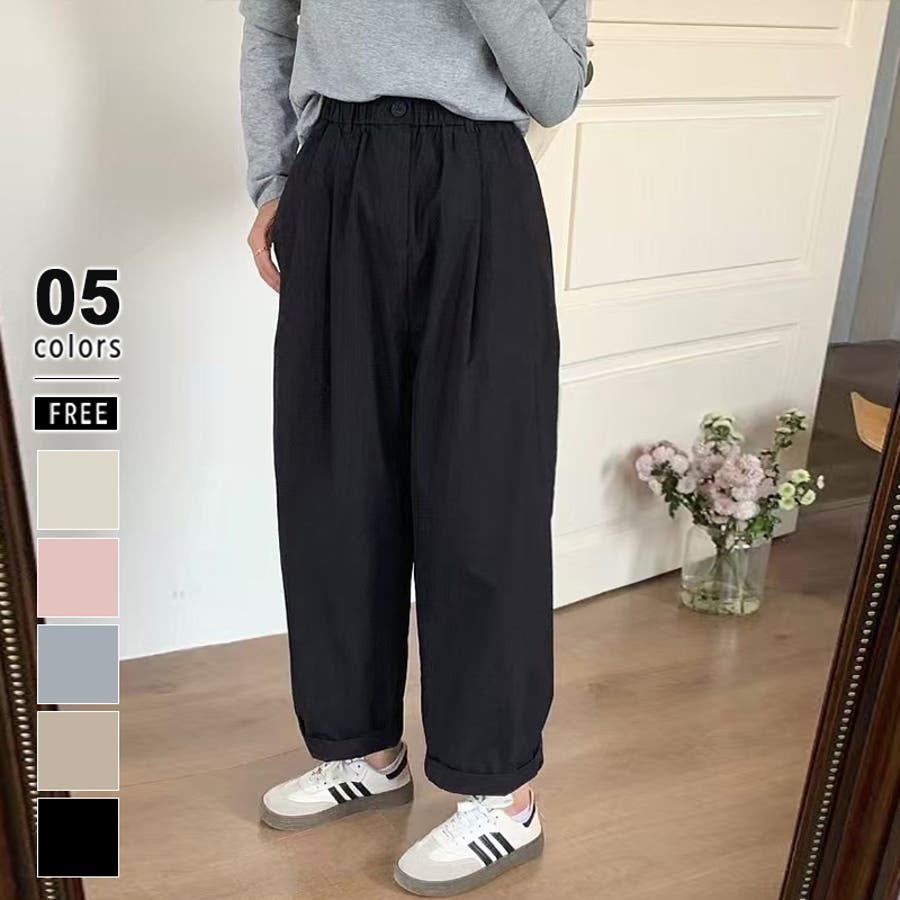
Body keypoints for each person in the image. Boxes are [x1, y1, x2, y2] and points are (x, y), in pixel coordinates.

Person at [239, 0, 588, 893]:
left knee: (483, 491)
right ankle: (362, 749)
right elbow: (271, 28)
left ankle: (502, 792)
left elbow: (554, 91)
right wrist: (274, 181)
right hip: (335, 176)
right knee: (334, 479)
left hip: (479, 180)